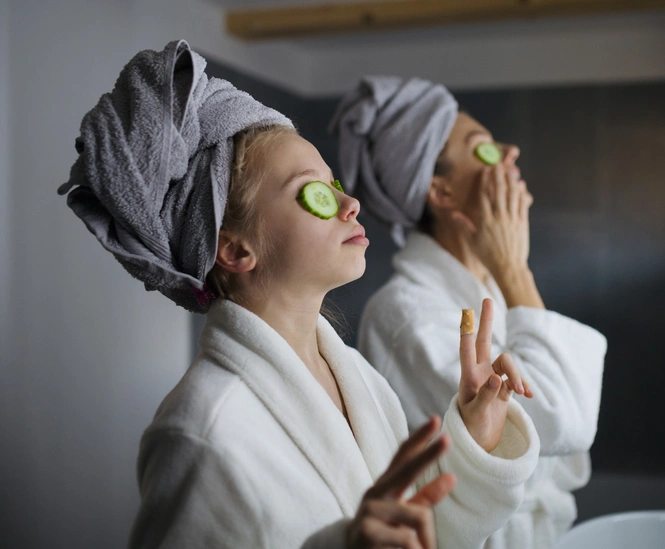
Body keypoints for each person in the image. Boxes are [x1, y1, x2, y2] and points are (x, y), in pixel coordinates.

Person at [58, 41, 540, 549]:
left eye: (335, 184)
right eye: (314, 193)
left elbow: (414, 526)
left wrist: (475, 436)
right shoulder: (199, 429)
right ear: (234, 249)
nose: (349, 204)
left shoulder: (358, 378)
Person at [330, 76, 608, 549]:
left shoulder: (485, 285)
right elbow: (562, 425)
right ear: (440, 192)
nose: (511, 152)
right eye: (484, 148)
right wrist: (515, 269)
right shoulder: (403, 315)